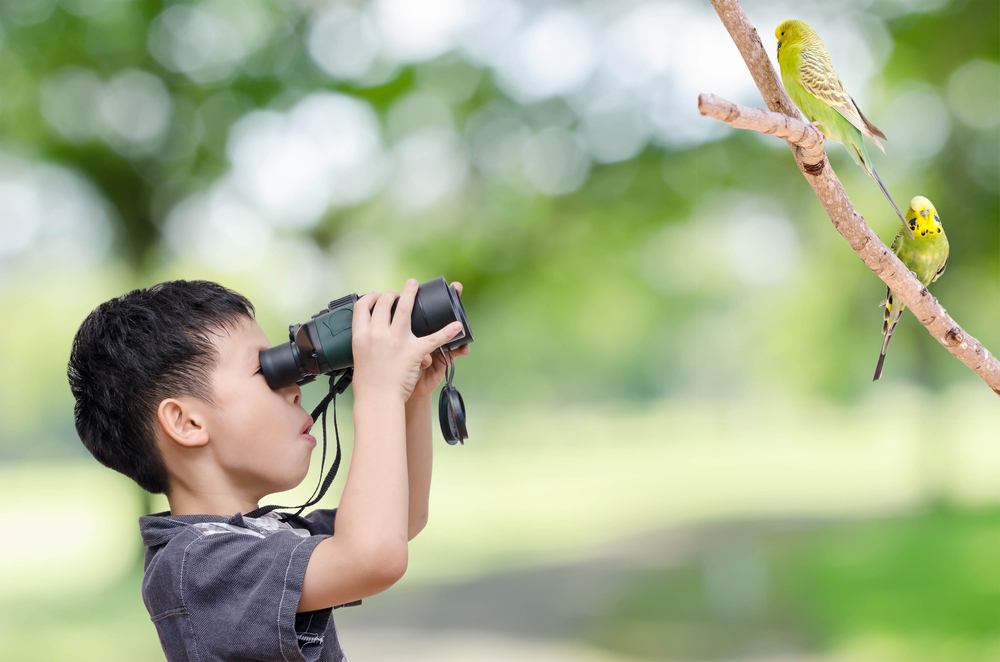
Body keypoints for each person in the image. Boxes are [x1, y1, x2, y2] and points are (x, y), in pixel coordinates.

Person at [67, 278, 469, 662]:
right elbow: (372, 557)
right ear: (187, 422)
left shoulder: (261, 535)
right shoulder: (195, 565)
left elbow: (400, 520)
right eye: (265, 370)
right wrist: (378, 390)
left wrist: (413, 398)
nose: (295, 388)